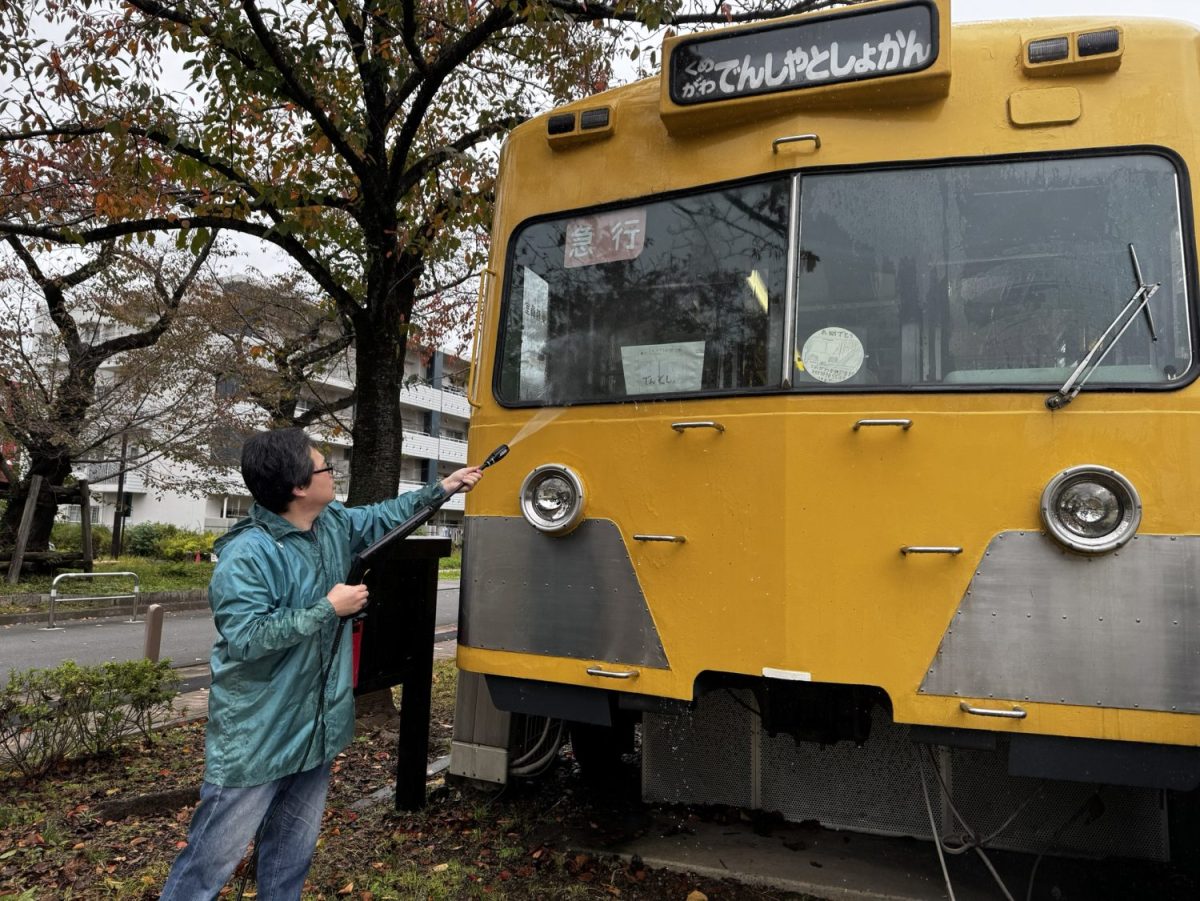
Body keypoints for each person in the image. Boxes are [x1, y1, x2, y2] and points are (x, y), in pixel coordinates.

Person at [161, 428, 482, 900]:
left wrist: (445, 487)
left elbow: (379, 517)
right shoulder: (247, 554)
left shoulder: (330, 523)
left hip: (315, 730)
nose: (334, 474)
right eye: (325, 468)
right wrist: (328, 608)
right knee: (210, 863)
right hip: (258, 737)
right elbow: (247, 638)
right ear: (297, 487)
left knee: (291, 859)